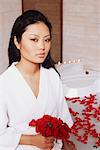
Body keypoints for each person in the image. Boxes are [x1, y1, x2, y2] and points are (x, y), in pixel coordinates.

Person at [0, 10, 73, 150]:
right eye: (34, 39)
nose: (42, 47)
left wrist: (64, 143)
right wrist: (31, 140)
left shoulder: (52, 75)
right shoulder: (4, 83)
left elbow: (62, 117)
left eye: (47, 40)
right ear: (17, 41)